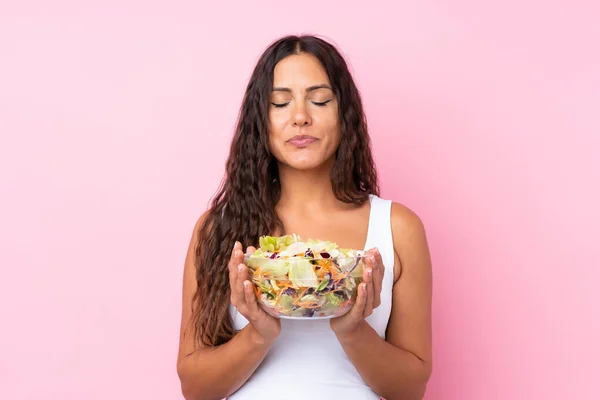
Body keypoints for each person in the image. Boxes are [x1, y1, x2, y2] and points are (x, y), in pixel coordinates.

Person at [176, 34, 433, 400]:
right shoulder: (218, 229)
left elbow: (410, 390)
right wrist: (259, 332)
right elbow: (195, 388)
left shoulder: (398, 229)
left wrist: (352, 330)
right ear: (260, 120)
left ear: (344, 114)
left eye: (319, 100)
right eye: (280, 103)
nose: (300, 117)